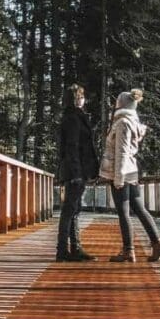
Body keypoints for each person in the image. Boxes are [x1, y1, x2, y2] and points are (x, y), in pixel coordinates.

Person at [99, 88, 160, 263]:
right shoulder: (132, 121)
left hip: (121, 171)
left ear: (120, 105)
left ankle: (128, 251)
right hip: (131, 170)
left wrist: (118, 179)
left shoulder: (122, 122)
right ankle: (157, 243)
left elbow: (121, 152)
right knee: (139, 208)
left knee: (123, 212)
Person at [55, 83, 99, 261]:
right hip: (75, 170)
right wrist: (76, 173)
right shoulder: (73, 119)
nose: (83, 99)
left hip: (77, 169)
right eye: (80, 97)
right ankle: (63, 251)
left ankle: (74, 249)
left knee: (73, 210)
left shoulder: (73, 117)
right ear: (75, 100)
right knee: (69, 210)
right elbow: (71, 147)